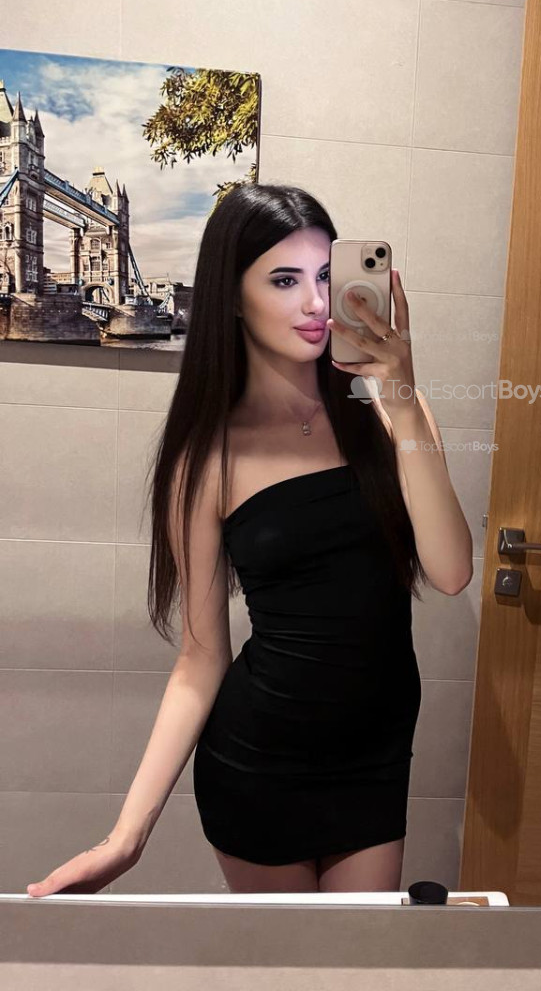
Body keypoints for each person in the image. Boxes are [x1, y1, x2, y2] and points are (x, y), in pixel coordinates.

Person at [26, 183, 473, 897]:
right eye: (285, 280)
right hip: (260, 766)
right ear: (234, 298)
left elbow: (451, 571)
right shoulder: (209, 456)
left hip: (376, 758)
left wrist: (403, 399)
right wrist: (126, 838)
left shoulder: (395, 414)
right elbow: (201, 658)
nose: (317, 303)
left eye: (326, 275)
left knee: (358, 956)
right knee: (291, 959)